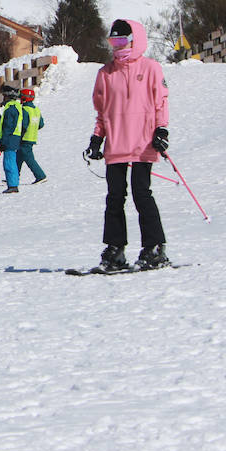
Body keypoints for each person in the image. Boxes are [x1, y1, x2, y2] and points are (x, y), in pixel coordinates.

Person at [86, 18, 171, 271]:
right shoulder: (105, 74)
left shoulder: (151, 68)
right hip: (117, 143)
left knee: (141, 194)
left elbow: (161, 102)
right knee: (114, 197)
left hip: (143, 143)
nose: (118, 46)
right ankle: (115, 249)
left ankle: (154, 248)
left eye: (122, 41)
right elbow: (102, 111)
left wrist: (162, 129)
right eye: (114, 41)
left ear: (135, 41)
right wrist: (97, 137)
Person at [0, 85, 27, 194]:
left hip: (9, 139)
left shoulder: (10, 108)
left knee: (9, 163)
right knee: (11, 161)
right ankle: (13, 183)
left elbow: (8, 126)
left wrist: (3, 140)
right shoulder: (17, 107)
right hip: (14, 138)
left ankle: (13, 185)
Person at [16, 87, 48, 185]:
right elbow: (41, 124)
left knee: (29, 159)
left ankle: (40, 175)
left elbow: (24, 125)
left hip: (24, 138)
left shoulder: (24, 110)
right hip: (32, 137)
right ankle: (14, 175)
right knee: (19, 157)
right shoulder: (36, 110)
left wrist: (19, 135)